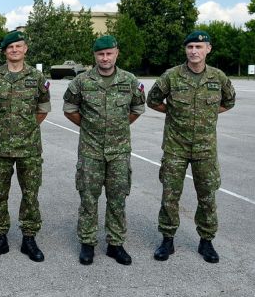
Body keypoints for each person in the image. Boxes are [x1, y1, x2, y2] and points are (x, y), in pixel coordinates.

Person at [147, 30, 235, 263]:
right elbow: (153, 100)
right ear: (185, 50)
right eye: (190, 47)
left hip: (205, 149)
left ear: (208, 49)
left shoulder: (218, 77)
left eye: (198, 47)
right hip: (175, 147)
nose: (194, 51)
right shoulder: (171, 76)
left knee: (207, 196)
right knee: (170, 195)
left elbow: (229, 101)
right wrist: (174, 112)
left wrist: (207, 114)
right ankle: (167, 240)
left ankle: (206, 241)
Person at [62, 35, 146, 266]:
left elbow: (137, 108)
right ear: (95, 56)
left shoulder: (129, 80)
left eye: (109, 53)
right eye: (101, 54)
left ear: (116, 54)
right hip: (90, 150)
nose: (105, 58)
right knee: (88, 198)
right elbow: (69, 108)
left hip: (119, 151)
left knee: (117, 198)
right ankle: (87, 243)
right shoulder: (82, 81)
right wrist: (89, 126)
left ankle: (115, 244)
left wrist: (119, 126)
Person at [0, 30, 51, 262]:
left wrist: (26, 127)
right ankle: (0, 238)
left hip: (29, 147)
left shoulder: (37, 78)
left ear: (25, 49)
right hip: (0, 148)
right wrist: (4, 127)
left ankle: (29, 238)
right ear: (5, 51)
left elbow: (43, 108)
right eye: (10, 47)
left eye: (18, 46)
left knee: (30, 194)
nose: (14, 50)